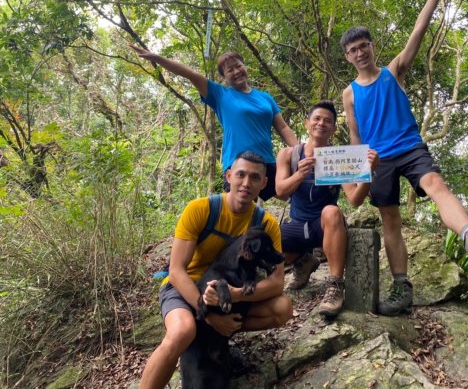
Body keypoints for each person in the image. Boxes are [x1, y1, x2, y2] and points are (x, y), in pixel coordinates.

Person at [340, 0, 468, 317]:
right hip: (378, 159)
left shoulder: (393, 70)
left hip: (409, 145)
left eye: (363, 46)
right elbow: (355, 138)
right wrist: (362, 170)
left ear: (372, 47)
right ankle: (402, 287)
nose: (359, 53)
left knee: (435, 184)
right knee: (390, 219)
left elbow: (419, 30)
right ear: (347, 56)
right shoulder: (349, 93)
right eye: (353, 50)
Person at [139, 152, 293, 389]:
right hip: (185, 288)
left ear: (263, 183)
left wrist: (235, 294)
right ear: (229, 176)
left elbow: (277, 282)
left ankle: (220, 336)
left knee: (282, 309)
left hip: (228, 293)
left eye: (255, 178)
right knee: (182, 332)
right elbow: (176, 270)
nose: (246, 183)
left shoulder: (265, 223)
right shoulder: (201, 209)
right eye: (240, 175)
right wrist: (210, 317)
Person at [130, 45, 298, 201]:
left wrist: (302, 152)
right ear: (223, 77)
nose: (236, 71)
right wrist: (157, 58)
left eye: (238, 66)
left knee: (291, 192)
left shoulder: (265, 97)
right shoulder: (220, 95)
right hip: (237, 162)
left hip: (266, 161)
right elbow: (189, 74)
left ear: (245, 67)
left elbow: (282, 127)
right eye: (230, 69)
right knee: (239, 210)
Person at [275, 101, 378, 318]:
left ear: (332, 129)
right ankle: (303, 262)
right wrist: (299, 175)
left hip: (324, 227)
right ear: (307, 124)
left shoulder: (337, 158)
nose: (322, 123)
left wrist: (367, 173)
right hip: (297, 226)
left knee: (331, 211)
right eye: (317, 119)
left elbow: (355, 199)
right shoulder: (288, 155)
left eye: (328, 121)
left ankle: (334, 285)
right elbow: (281, 191)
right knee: (263, 234)